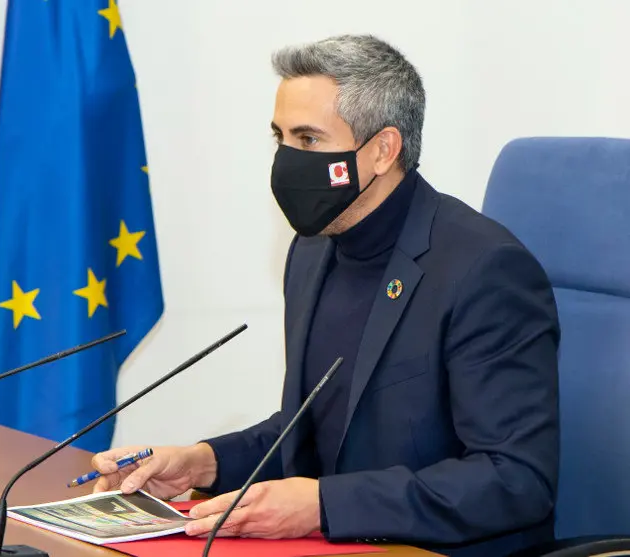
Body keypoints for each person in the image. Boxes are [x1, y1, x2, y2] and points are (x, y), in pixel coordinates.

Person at [90, 34, 560, 557]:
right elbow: (317, 430)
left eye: (309, 140)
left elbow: (515, 481)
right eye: (280, 138)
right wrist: (204, 462)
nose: (288, 161)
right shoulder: (313, 251)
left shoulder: (482, 269)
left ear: (383, 150)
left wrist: (323, 505)